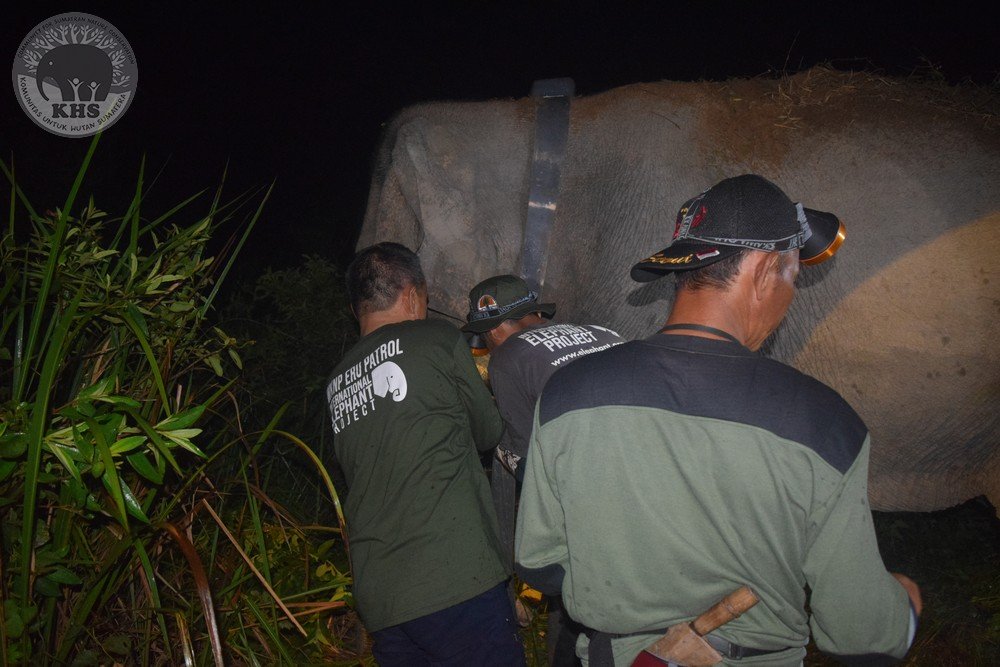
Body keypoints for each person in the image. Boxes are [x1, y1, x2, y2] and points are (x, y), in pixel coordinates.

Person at [513, 174, 922, 666]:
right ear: (765, 270)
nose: (789, 296)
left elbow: (540, 564)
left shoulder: (569, 392)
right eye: (792, 276)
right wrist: (903, 606)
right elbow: (861, 633)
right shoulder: (823, 421)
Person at [326, 242, 525, 666]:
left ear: (355, 308)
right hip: (453, 578)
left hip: (381, 597)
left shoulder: (337, 381)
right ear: (412, 294)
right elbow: (488, 431)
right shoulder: (435, 337)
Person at [462, 274, 624, 666]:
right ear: (535, 312)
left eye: (483, 338)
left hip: (596, 507)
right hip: (655, 484)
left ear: (494, 330)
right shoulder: (604, 333)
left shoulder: (507, 358)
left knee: (594, 619)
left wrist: (499, 451)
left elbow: (531, 466)